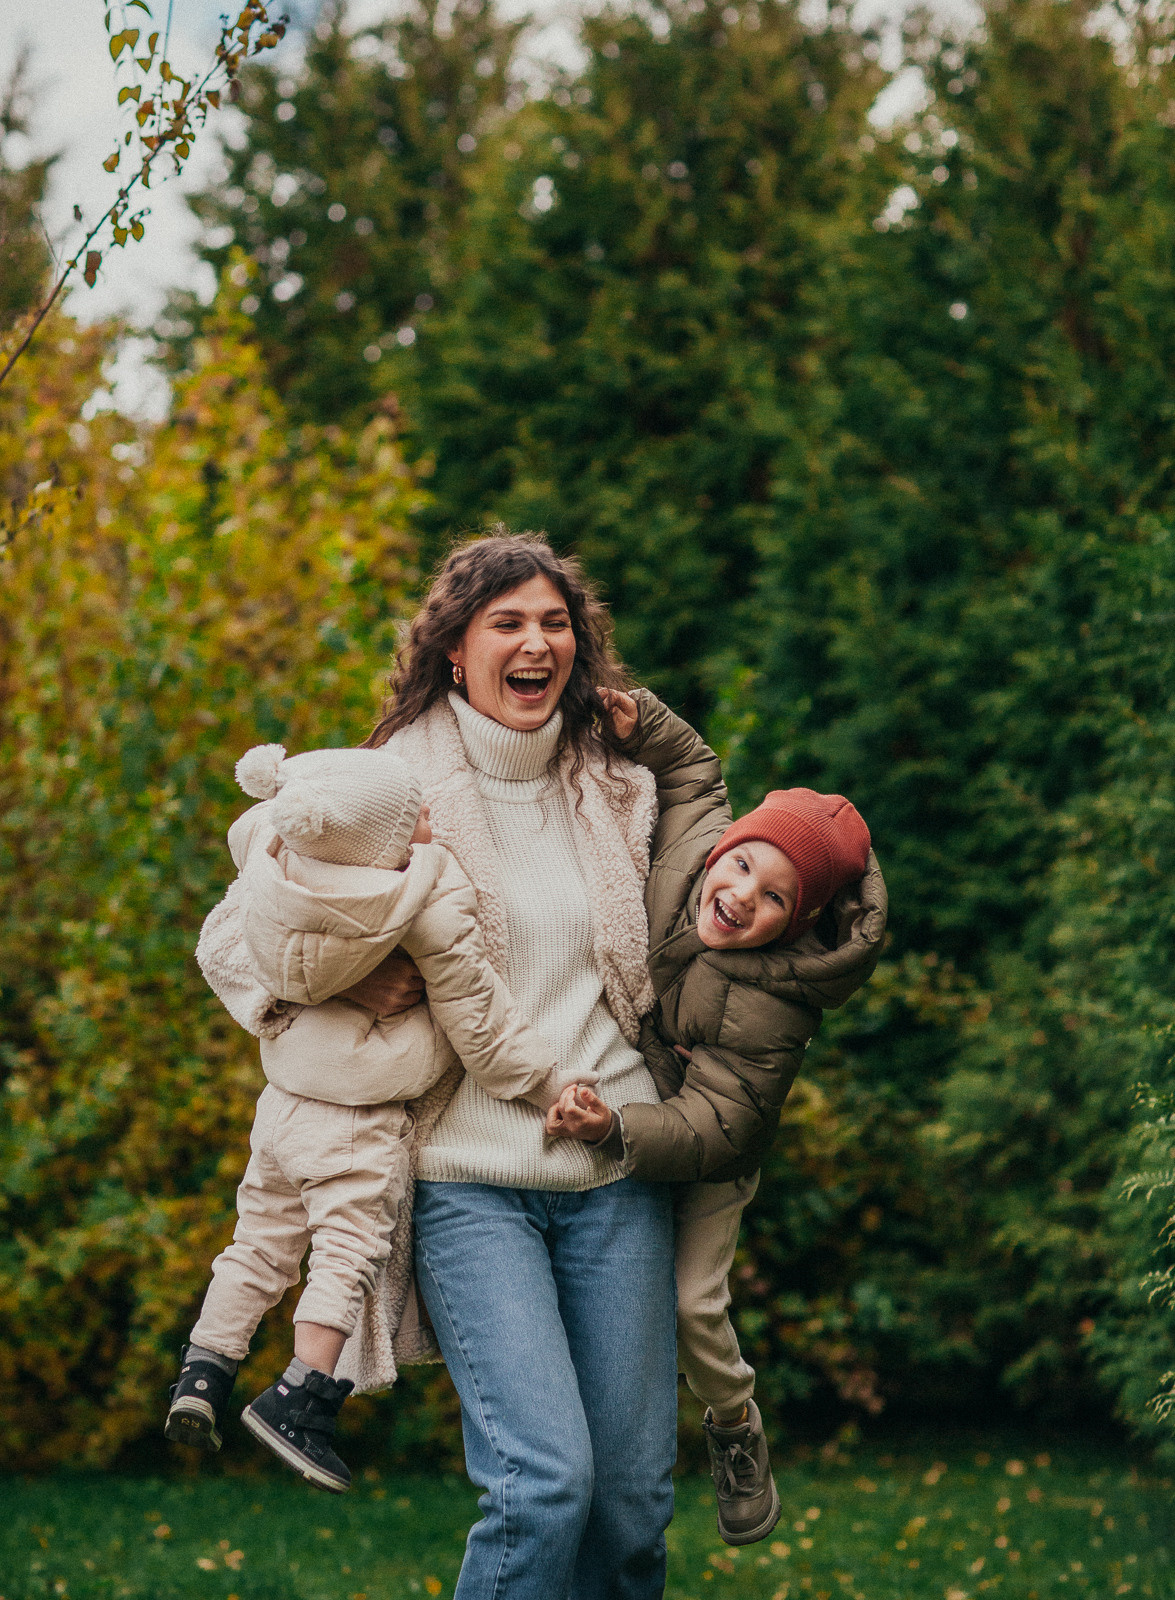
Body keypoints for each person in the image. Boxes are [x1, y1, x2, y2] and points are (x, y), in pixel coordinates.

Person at [228, 533, 678, 1600]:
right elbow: (236, 935)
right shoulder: (384, 784)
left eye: (554, 622)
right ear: (454, 650)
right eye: (507, 623)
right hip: (467, 1178)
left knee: (628, 1507)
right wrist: (312, 988)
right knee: (541, 1487)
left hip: (617, 1172)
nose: (536, 643)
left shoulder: (620, 786)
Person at [169, 740, 563, 1492]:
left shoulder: (272, 852)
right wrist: (543, 1085)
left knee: (256, 1243)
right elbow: (477, 1023)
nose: (426, 814)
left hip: (281, 1104)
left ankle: (203, 1370)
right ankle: (301, 1396)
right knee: (345, 1254)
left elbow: (245, 851)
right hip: (356, 1113)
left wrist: (318, 984)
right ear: (382, 845)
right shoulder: (415, 895)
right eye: (410, 813)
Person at [547, 690, 887, 1547]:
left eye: (772, 898)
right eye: (742, 868)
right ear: (723, 852)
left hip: (709, 1157)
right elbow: (694, 771)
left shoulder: (780, 1001)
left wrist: (619, 1128)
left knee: (693, 1304)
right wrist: (639, 722)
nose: (739, 897)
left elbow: (720, 1125)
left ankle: (734, 1425)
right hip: (643, 1101)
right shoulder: (697, 853)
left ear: (797, 922)